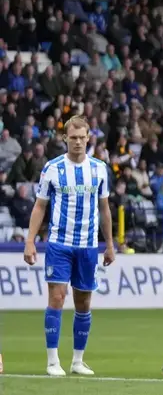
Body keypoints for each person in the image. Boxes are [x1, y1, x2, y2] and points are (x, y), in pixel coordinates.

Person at [23, 116, 116, 377]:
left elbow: (105, 208)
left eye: (81, 137)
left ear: (89, 138)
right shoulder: (52, 168)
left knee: (84, 302)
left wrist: (109, 245)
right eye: (72, 137)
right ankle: (53, 361)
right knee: (57, 297)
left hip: (88, 246)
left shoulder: (99, 169)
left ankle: (77, 360)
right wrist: (30, 241)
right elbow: (39, 206)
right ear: (65, 138)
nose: (77, 142)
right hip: (59, 244)